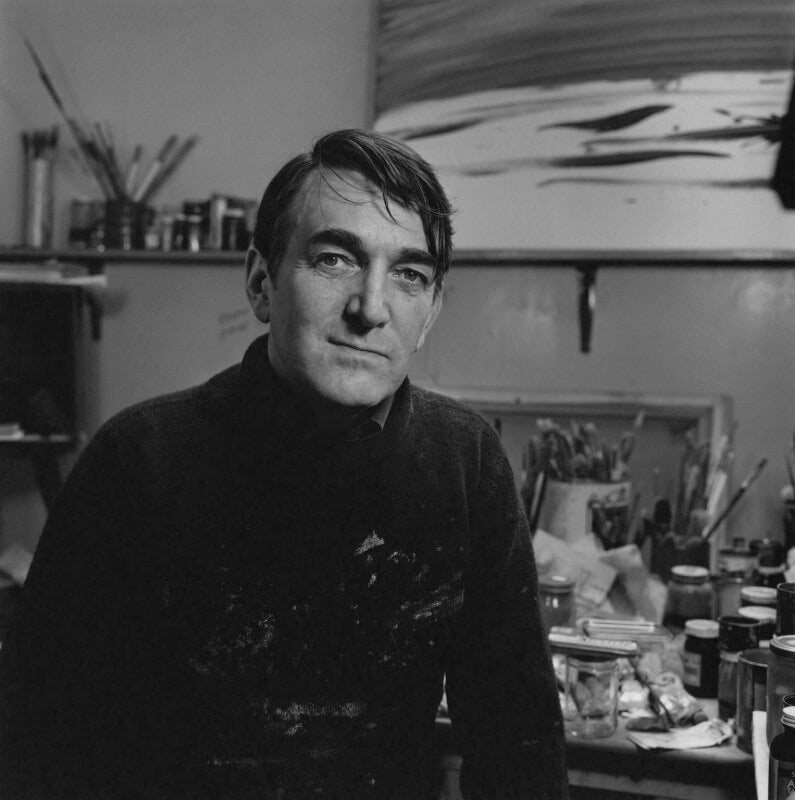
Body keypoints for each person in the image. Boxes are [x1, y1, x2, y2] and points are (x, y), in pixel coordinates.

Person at [0, 129, 567, 799]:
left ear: (431, 312)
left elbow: (517, 742)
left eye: (409, 275)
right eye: (334, 259)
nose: (370, 308)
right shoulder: (137, 461)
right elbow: (40, 740)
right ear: (260, 283)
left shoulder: (466, 464)